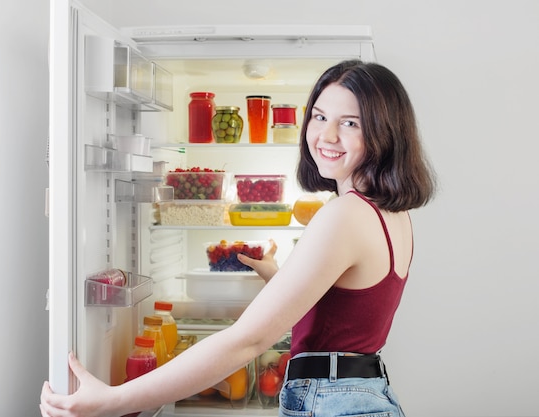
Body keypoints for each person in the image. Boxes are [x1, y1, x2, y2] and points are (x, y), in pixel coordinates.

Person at [40, 59, 436, 417]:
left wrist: (115, 399)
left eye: (350, 123)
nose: (326, 135)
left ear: (385, 132)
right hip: (364, 393)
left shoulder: (345, 215)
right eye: (318, 117)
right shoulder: (389, 214)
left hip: (335, 402)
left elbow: (246, 342)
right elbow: (348, 312)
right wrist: (279, 276)